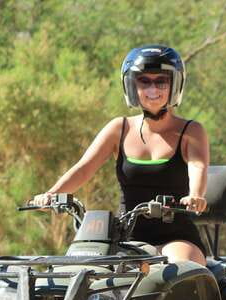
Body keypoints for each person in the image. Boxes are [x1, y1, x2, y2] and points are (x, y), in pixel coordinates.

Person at [32, 45, 210, 266]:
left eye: (161, 81)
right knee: (84, 274)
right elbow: (84, 168)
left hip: (175, 237)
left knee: (180, 269)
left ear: (174, 85)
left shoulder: (191, 131)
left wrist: (196, 195)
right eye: (144, 81)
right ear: (132, 86)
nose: (152, 88)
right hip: (126, 239)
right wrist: (51, 195)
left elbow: (198, 166)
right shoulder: (119, 128)